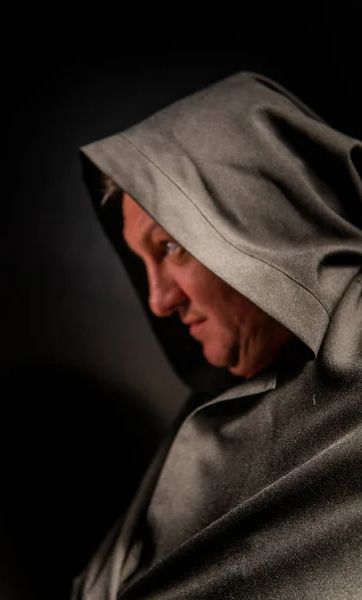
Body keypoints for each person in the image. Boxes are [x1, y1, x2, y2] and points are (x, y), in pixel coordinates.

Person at [72, 71, 362, 599]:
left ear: (256, 218)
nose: (159, 300)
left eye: (169, 247)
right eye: (142, 264)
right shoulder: (203, 419)